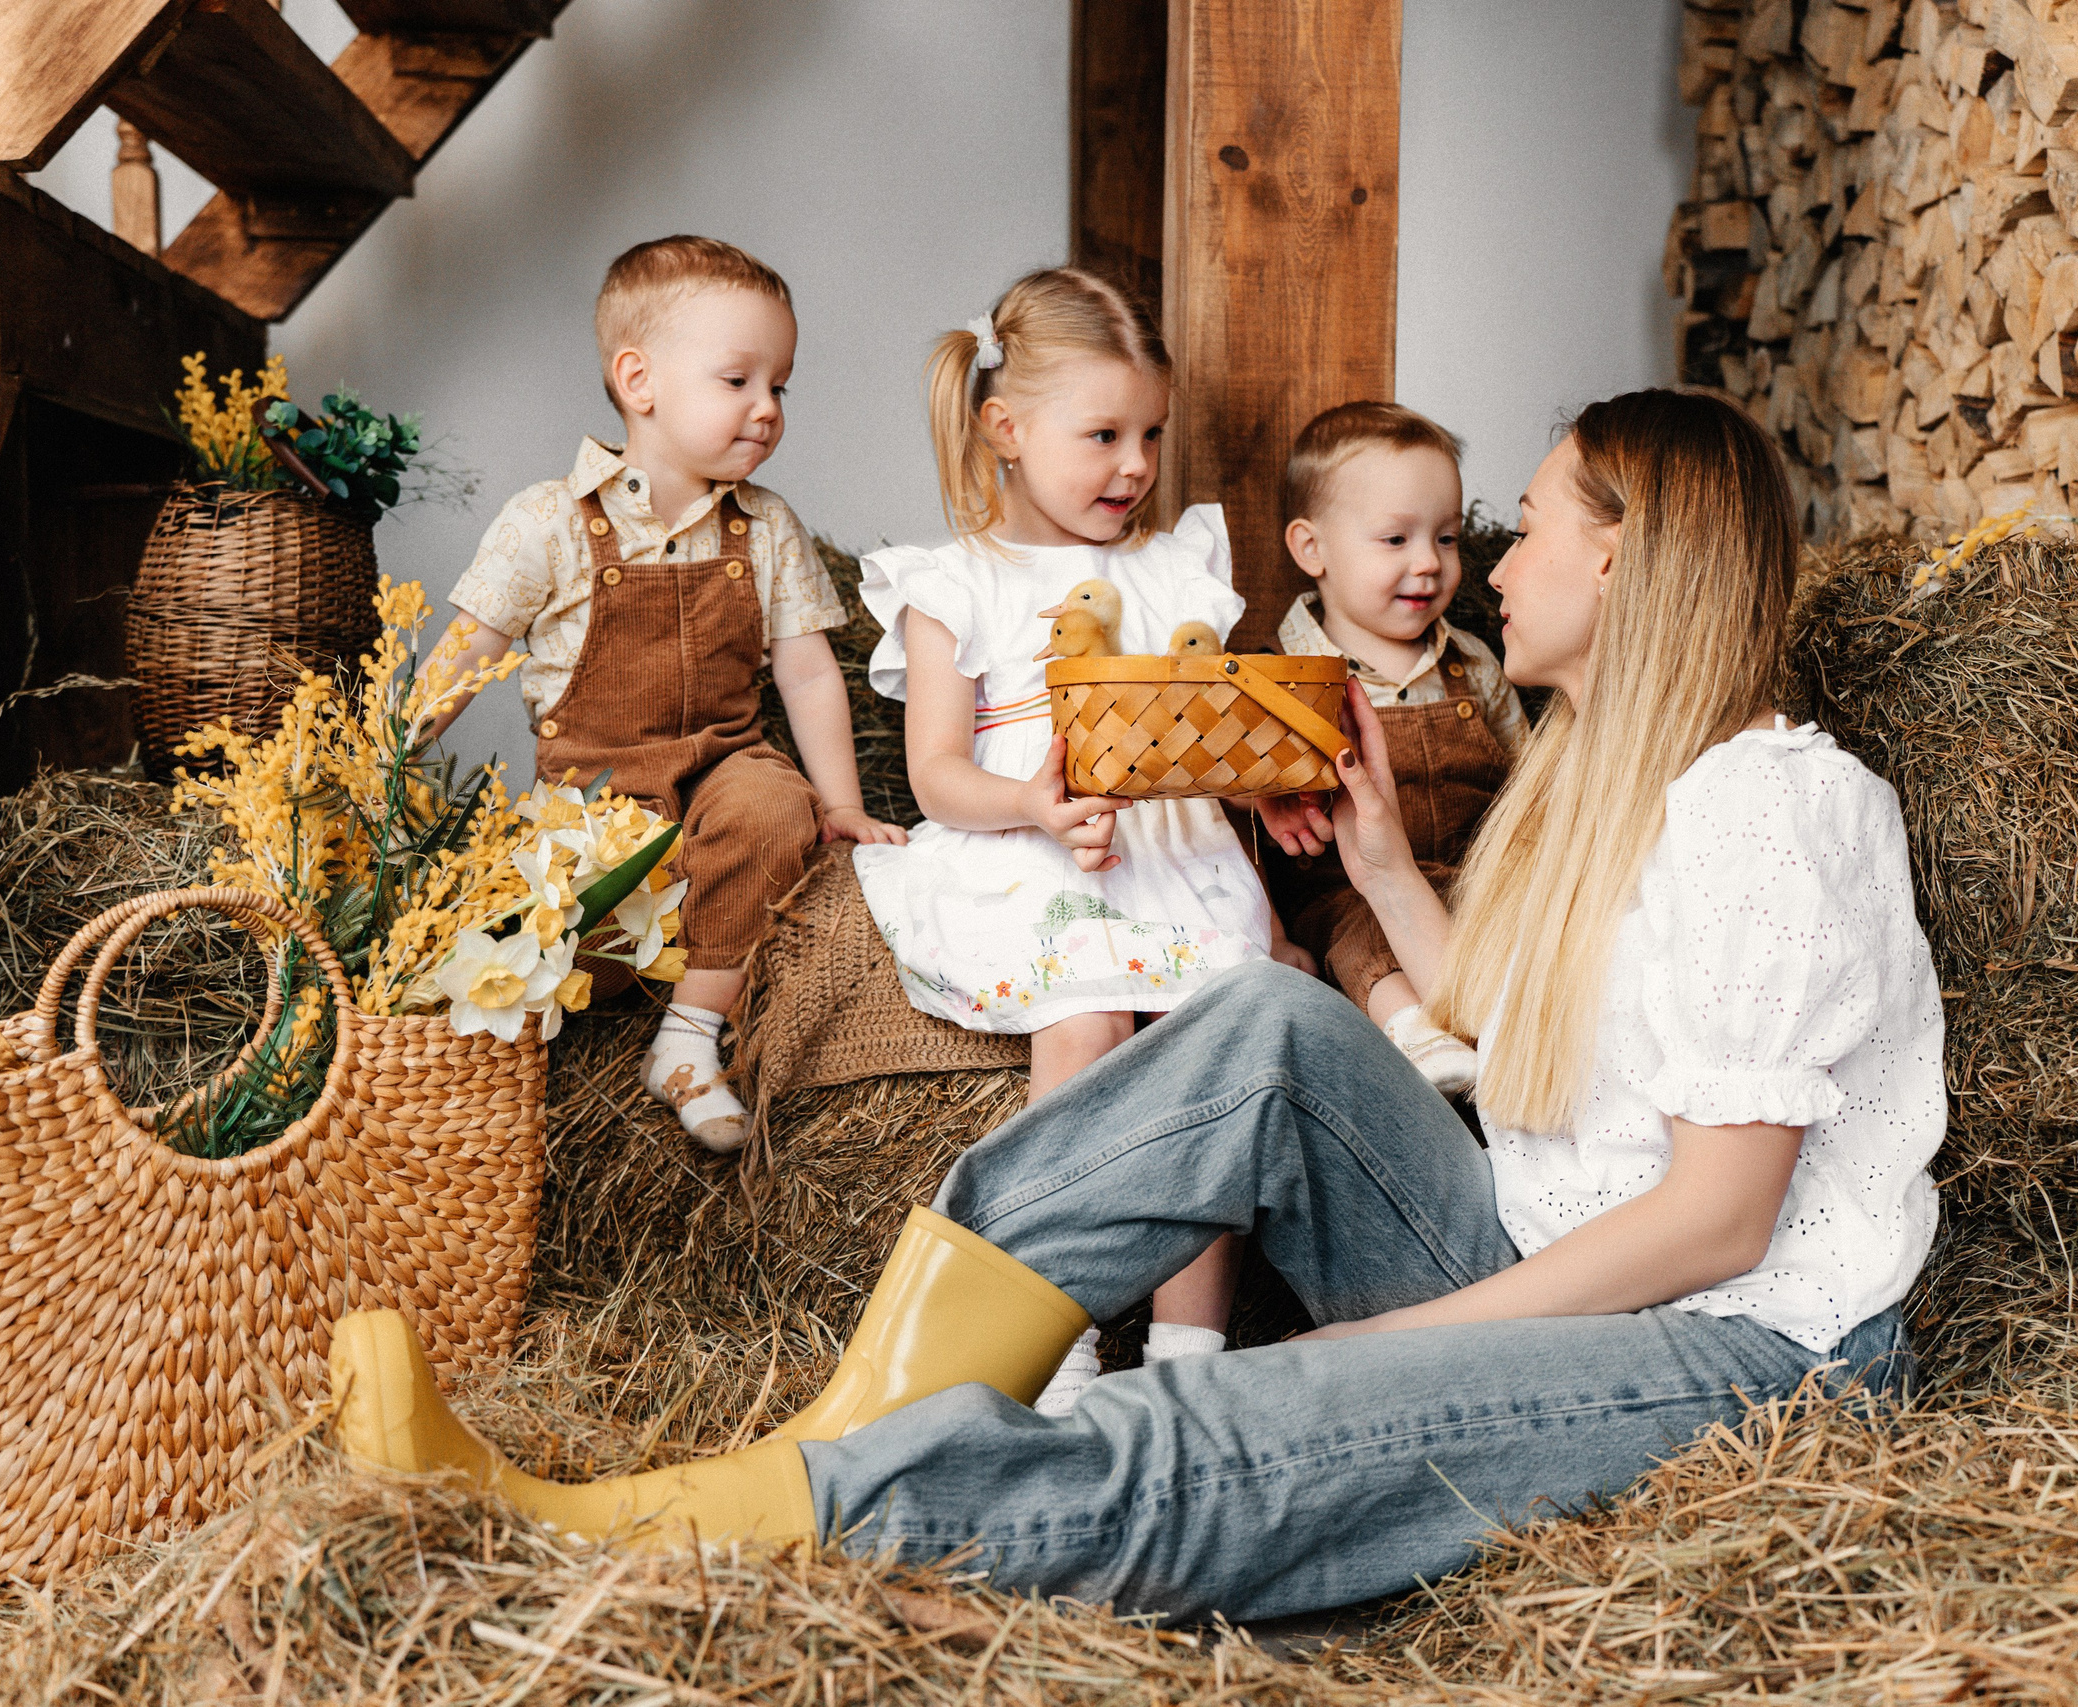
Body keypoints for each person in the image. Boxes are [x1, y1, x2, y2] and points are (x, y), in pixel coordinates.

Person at [330, 387, 1946, 1624]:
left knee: (1246, 1411)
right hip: (1551, 1242)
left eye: (1524, 530)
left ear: (1626, 554)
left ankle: (641, 1536)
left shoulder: (1772, 809)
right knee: (1260, 1027)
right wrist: (1383, 861)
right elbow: (1529, 1029)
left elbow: (1720, 1219)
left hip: (1741, 1343)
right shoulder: (1612, 782)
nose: (1497, 567)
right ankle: (865, 1415)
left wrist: (1400, 1338)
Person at [844, 267, 1300, 1389]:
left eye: (1150, 434)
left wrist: (1258, 783)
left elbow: (1207, 730)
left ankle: (1190, 1350)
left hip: (1168, 850)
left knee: (1209, 1041)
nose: (1135, 464)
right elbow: (936, 775)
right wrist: (1033, 805)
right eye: (1103, 436)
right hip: (1032, 852)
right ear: (1005, 429)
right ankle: (1053, 1331)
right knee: (1088, 1018)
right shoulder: (957, 583)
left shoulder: (1171, 568)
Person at [423, 235, 904, 1155]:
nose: (768, 408)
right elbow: (470, 649)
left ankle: (687, 1041)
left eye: (781, 386)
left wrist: (840, 803)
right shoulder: (550, 520)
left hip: (725, 764)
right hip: (596, 794)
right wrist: (386, 754)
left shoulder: (766, 526)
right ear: (638, 381)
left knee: (777, 810)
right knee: (550, 924)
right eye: (739, 381)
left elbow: (807, 672)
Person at [1266, 400, 1528, 1094]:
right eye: (1395, 539)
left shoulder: (1473, 663)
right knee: (1358, 929)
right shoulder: (1280, 677)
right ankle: (1415, 1030)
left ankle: (1507, 1032)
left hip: (1468, 880)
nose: (1429, 563)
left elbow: (1526, 780)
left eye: (1446, 538)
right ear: (1311, 548)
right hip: (1345, 892)